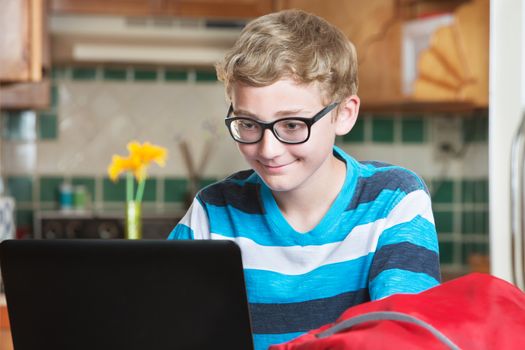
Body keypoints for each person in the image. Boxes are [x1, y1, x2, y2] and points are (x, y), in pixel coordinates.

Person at [168, 9, 440, 350]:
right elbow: (162, 324)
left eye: (292, 125)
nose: (269, 149)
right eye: (249, 124)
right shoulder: (213, 212)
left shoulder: (395, 200)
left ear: (344, 114)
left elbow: (405, 340)